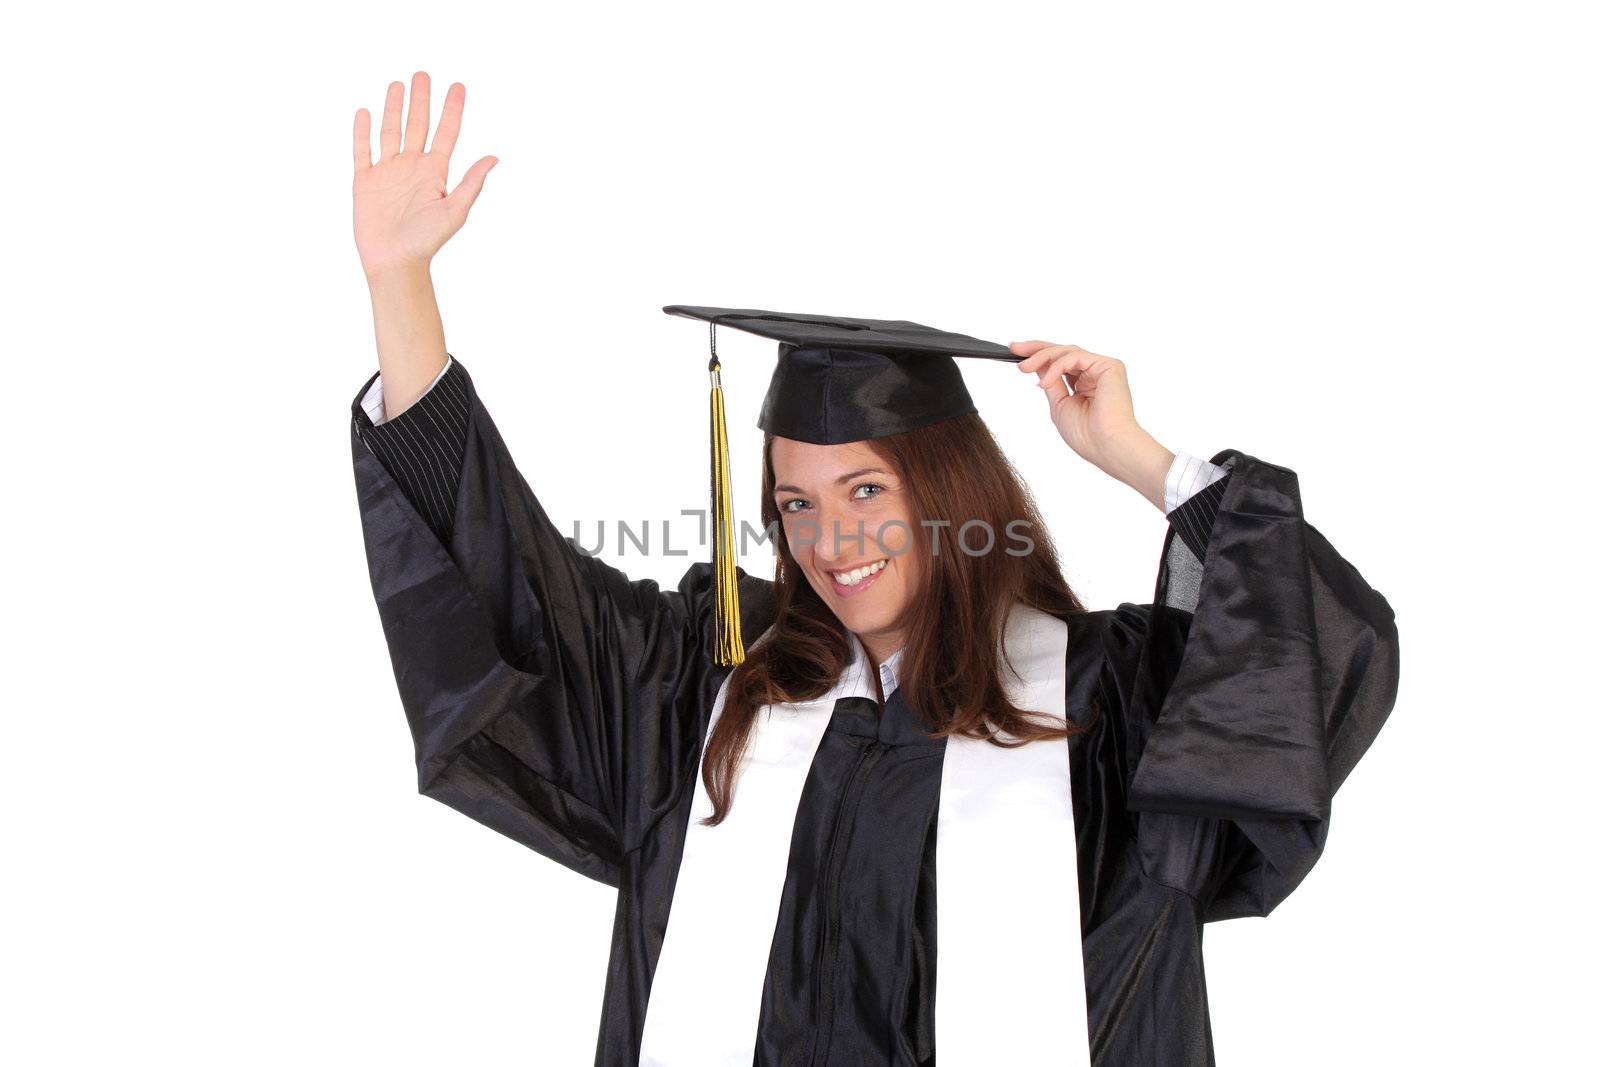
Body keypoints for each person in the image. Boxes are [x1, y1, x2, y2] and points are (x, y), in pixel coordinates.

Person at [348, 73, 1401, 1067]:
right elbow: (508, 586)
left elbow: (1301, 656)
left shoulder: (1109, 697)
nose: (832, 539)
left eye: (867, 492)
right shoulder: (703, 681)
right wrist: (401, 284)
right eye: (798, 503)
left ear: (947, 493)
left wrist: (1141, 459)